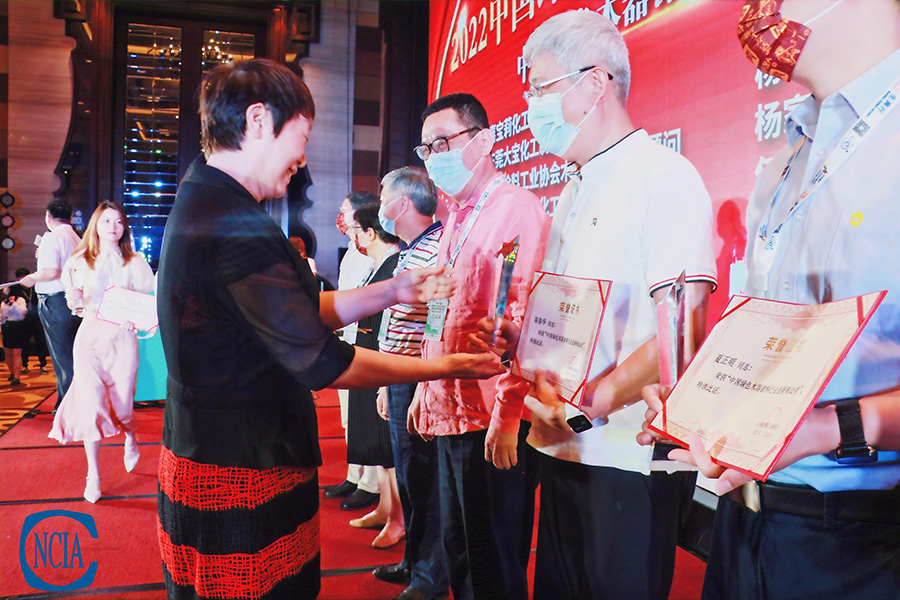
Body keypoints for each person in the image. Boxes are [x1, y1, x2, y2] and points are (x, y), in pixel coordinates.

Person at [155, 58, 502, 600]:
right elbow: (322, 361)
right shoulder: (229, 221)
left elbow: (292, 311)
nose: (302, 158)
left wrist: (391, 291)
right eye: (302, 136)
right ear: (258, 121)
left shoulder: (212, 198)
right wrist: (442, 367)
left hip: (220, 447)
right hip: (240, 462)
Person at [639, 2, 900, 598]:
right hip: (744, 519)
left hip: (860, 539)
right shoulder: (787, 160)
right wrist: (702, 399)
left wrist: (828, 429)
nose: (760, 12)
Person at [476, 11, 717, 599]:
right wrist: (521, 344)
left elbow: (683, 328)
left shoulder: (664, 176)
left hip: (625, 456)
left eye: (540, 88)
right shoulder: (574, 188)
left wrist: (591, 406)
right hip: (560, 444)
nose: (530, 106)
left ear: (595, 83)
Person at [410, 92, 550, 600]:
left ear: (485, 139)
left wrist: (510, 411)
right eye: (426, 148)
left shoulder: (515, 210)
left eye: (443, 142)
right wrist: (425, 385)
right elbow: (439, 309)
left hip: (491, 416)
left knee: (494, 561)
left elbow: (521, 313)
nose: (434, 157)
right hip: (450, 409)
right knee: (460, 551)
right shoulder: (455, 218)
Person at [373, 166, 449, 600]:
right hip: (398, 374)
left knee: (423, 476)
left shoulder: (437, 248)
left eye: (383, 195)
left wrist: (424, 382)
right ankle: (414, 560)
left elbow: (436, 323)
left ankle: (429, 578)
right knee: (408, 475)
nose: (380, 203)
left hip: (418, 377)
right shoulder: (411, 249)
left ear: (402, 203)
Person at [48, 202, 155, 503]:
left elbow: (145, 302)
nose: (112, 226)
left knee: (123, 410)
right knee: (91, 405)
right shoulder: (79, 260)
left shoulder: (135, 262)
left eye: (118, 221)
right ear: (95, 224)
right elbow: (75, 304)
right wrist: (74, 299)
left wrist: (137, 319)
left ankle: (131, 437)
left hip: (122, 340)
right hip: (89, 338)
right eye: (106, 221)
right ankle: (93, 475)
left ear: (124, 227)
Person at [344, 204, 406, 549]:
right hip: (366, 353)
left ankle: (398, 518)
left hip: (381, 357)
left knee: (387, 444)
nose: (351, 236)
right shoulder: (377, 266)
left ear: (370, 232)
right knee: (376, 443)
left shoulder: (395, 266)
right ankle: (384, 507)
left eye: (355, 229)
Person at [323, 191, 383, 511]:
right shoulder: (351, 249)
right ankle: (355, 474)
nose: (340, 216)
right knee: (349, 416)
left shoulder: (370, 250)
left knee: (364, 415)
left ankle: (371, 483)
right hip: (346, 337)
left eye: (345, 210)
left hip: (364, 338)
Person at [19, 199, 81, 407]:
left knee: (62, 357)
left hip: (55, 302)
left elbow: (51, 272)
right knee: (74, 354)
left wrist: (31, 278)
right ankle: (76, 403)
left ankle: (68, 406)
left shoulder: (51, 237)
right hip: (73, 301)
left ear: (48, 217)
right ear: (70, 218)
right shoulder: (77, 238)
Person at [14, 268, 50, 375]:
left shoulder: (36, 287)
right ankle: (24, 365)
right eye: (20, 278)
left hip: (37, 318)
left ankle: (43, 364)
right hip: (23, 320)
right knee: (24, 342)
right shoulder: (16, 288)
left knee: (41, 341)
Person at [1, 279, 29, 386]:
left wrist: (14, 303)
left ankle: (17, 376)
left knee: (17, 352)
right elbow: (2, 316)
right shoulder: (4, 301)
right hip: (7, 327)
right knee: (8, 353)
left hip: (18, 326)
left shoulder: (20, 300)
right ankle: (12, 372)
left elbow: (23, 312)